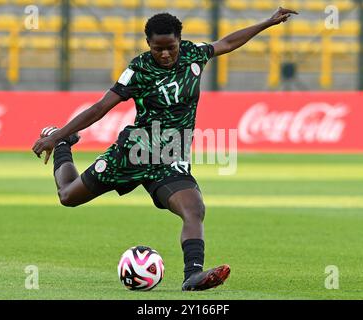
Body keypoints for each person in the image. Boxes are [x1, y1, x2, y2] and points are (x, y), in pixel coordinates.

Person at [32, 8, 297, 291]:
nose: (166, 55)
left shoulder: (194, 55)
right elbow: (100, 108)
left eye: (170, 47)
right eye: (158, 49)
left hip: (170, 157)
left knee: (194, 209)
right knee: (68, 196)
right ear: (148, 44)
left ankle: (192, 275)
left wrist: (267, 22)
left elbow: (227, 43)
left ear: (180, 41)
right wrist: (60, 134)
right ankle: (62, 146)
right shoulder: (138, 70)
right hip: (134, 153)